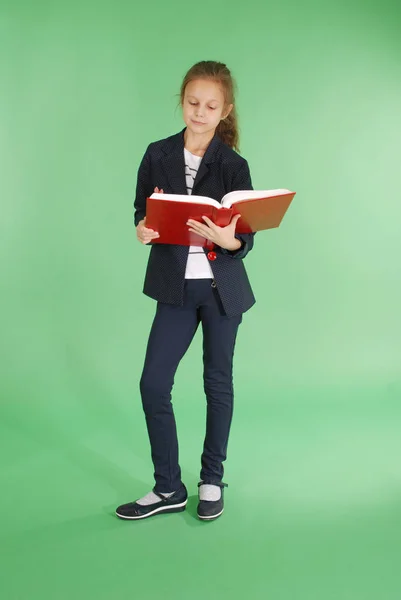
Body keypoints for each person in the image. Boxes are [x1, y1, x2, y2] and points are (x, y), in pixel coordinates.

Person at [116, 60, 256, 521]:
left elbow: (245, 238)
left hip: (221, 291)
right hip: (173, 287)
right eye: (193, 102)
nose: (199, 112)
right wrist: (142, 229)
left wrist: (229, 240)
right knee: (153, 383)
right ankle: (168, 487)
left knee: (218, 383)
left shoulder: (234, 164)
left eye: (210, 105)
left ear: (225, 110)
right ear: (182, 101)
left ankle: (211, 479)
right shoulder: (156, 153)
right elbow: (143, 209)